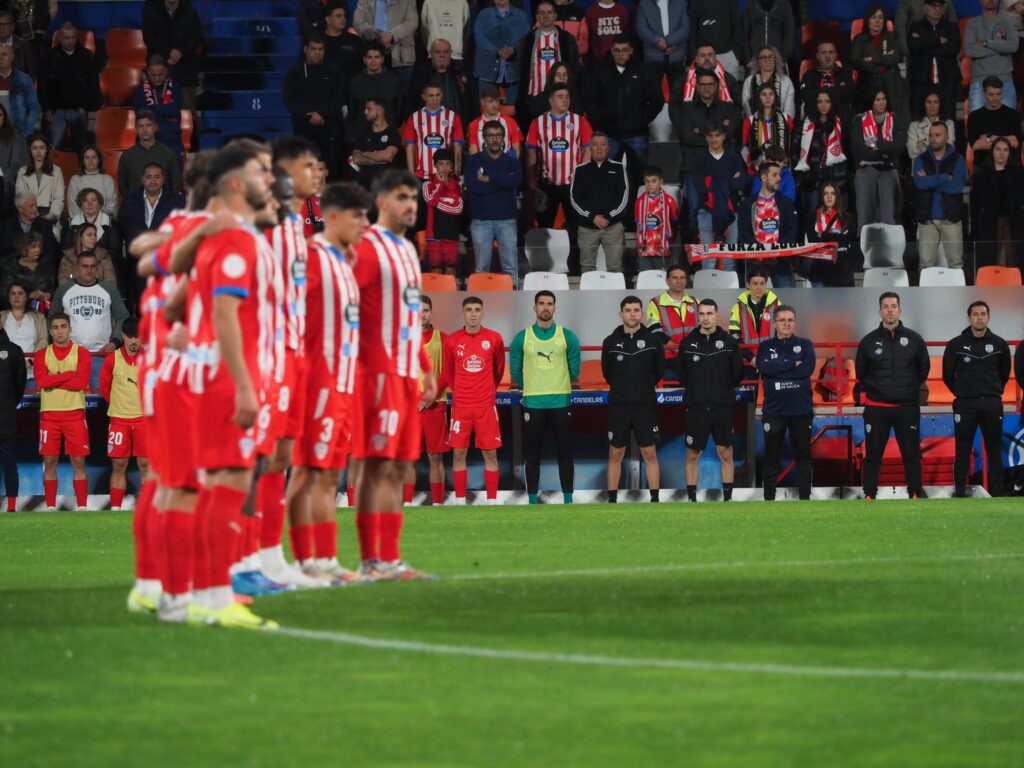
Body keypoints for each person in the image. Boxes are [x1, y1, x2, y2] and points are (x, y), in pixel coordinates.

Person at [185, 145, 282, 628]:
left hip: (225, 373)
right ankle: (213, 592)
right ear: (239, 184)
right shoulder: (236, 238)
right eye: (262, 172)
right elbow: (225, 311)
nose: (272, 178)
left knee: (224, 483)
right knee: (228, 483)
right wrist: (246, 386)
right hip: (230, 378)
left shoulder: (225, 235)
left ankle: (207, 590)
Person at [351, 168, 437, 581]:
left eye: (415, 199)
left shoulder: (405, 249)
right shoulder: (367, 248)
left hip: (405, 373)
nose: (411, 206)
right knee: (377, 466)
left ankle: (391, 557)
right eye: (403, 198)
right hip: (377, 374)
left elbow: (406, 317)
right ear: (381, 203)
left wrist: (423, 365)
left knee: (399, 468)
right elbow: (349, 310)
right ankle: (372, 560)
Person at [290, 181, 371, 581]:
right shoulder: (313, 259)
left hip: (342, 382)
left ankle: (323, 560)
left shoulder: (344, 264)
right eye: (357, 217)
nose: (363, 224)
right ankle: (303, 559)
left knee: (326, 475)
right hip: (317, 382)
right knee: (309, 474)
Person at [855, 292, 930, 501]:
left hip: (907, 407)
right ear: (880, 311)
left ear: (900, 310)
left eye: (893, 306)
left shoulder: (914, 340)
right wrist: (878, 390)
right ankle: (870, 495)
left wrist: (907, 388)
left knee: (911, 454)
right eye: (886, 306)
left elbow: (923, 370)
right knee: (873, 455)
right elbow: (861, 372)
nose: (890, 310)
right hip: (877, 408)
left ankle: (914, 493)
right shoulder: (869, 341)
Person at [510, 290, 580, 504]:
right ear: (534, 308)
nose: (545, 307)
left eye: (550, 304)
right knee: (533, 454)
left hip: (561, 401)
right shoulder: (522, 337)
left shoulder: (566, 336)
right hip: (534, 402)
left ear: (555, 308)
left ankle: (568, 499)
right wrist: (530, 386)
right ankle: (532, 499)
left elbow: (574, 369)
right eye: (541, 303)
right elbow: (515, 370)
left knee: (565, 453)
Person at [434, 296, 506, 505]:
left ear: (482, 313)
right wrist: (462, 392)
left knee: (490, 453)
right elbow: (448, 373)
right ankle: (460, 501)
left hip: (485, 405)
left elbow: (498, 371)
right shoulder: (452, 341)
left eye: (477, 310)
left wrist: (485, 390)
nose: (473, 314)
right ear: (462, 313)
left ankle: (492, 501)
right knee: (459, 453)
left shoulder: (494, 338)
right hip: (461, 406)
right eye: (469, 310)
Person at [676, 298, 743, 502]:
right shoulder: (687, 343)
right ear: (698, 316)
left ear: (717, 315)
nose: (705, 318)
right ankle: (692, 499)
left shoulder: (729, 343)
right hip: (696, 408)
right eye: (702, 314)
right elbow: (682, 375)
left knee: (725, 453)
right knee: (692, 455)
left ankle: (728, 498)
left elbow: (737, 374)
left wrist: (721, 391)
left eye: (709, 313)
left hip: (722, 407)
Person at [942, 301, 1012, 497]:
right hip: (965, 404)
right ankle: (960, 492)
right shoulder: (955, 344)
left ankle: (997, 493)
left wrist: (993, 391)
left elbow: (1004, 373)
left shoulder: (999, 344)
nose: (979, 318)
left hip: (991, 403)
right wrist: (962, 392)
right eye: (975, 314)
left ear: (988, 317)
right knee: (962, 450)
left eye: (983, 314)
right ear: (969, 318)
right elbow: (947, 376)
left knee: (994, 449)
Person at [601, 295, 665, 504]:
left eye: (636, 310)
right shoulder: (610, 342)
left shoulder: (654, 342)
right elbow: (608, 373)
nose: (632, 314)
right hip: (619, 406)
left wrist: (641, 390)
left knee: (650, 453)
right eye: (628, 310)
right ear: (621, 314)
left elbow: (658, 372)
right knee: (615, 453)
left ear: (642, 313)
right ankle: (612, 500)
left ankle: (654, 499)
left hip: (645, 406)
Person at [526, 83, 593, 263]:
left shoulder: (580, 121)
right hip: (546, 184)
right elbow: (531, 151)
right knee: (544, 228)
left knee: (576, 226)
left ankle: (575, 265)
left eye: (567, 96)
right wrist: (532, 182)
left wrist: (582, 176)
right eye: (560, 96)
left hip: (572, 185)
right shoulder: (538, 123)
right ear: (550, 100)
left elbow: (588, 148)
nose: (565, 100)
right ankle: (542, 265)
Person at [755, 304, 814, 500]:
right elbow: (765, 368)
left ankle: (805, 499)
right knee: (771, 458)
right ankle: (769, 499)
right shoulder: (765, 346)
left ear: (794, 323)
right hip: (774, 411)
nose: (787, 324)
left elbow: (807, 370)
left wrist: (777, 368)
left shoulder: (806, 344)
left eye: (790, 320)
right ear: (775, 323)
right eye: (782, 320)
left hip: (801, 411)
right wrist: (790, 364)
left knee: (803, 458)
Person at [585, 35, 663, 178]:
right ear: (612, 51)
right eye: (617, 50)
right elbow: (590, 100)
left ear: (631, 50)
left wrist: (642, 119)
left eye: (624, 50)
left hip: (637, 134)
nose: (621, 54)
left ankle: (637, 201)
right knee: (607, 177)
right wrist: (601, 120)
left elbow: (657, 100)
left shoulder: (643, 70)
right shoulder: (600, 70)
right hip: (609, 134)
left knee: (640, 176)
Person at [35, 312, 92, 510]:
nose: (60, 331)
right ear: (50, 331)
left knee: (79, 462)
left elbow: (82, 383)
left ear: (70, 328)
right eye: (56, 328)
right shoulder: (42, 354)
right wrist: (69, 375)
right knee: (49, 462)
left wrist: (54, 379)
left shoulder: (82, 353)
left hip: (74, 414)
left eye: (63, 326)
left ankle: (82, 507)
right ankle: (50, 507)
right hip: (49, 415)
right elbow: (42, 382)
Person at [52, 251, 130, 387]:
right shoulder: (63, 290)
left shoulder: (109, 289)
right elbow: (52, 318)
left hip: (100, 355)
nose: (89, 270)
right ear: (77, 267)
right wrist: (60, 345)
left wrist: (115, 342)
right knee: (71, 400)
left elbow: (123, 317)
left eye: (93, 266)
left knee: (101, 399)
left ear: (97, 268)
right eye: (85, 266)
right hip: (70, 356)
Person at [464, 119, 522, 286]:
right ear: (484, 138)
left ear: (503, 137)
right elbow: (473, 186)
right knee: (482, 269)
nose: (494, 139)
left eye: (498, 135)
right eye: (490, 136)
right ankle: (482, 305)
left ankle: (513, 305)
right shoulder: (474, 161)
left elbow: (516, 181)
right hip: (481, 221)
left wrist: (488, 179)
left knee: (510, 269)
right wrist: (503, 182)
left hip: (507, 220)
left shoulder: (512, 161)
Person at [99, 317, 147, 510]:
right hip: (119, 421)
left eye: (138, 337)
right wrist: (119, 405)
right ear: (123, 336)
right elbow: (104, 388)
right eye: (130, 337)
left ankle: (147, 509)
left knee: (146, 465)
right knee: (119, 465)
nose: (134, 341)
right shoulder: (113, 359)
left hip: (145, 421)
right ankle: (115, 509)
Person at [675, 70, 742, 203]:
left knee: (724, 207)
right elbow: (687, 136)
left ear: (716, 86)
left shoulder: (728, 108)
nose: (706, 87)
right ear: (697, 86)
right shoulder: (687, 109)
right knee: (693, 210)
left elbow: (729, 134)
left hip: (722, 164)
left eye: (710, 84)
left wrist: (699, 131)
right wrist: (717, 137)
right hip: (694, 164)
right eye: (703, 84)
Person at [283, 35, 345, 178]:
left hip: (330, 131)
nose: (317, 52)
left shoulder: (335, 71)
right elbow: (290, 98)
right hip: (304, 132)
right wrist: (307, 116)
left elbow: (339, 96)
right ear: (306, 49)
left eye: (321, 49)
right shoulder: (294, 73)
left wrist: (321, 113)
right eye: (313, 49)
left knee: (332, 173)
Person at [569, 132, 628, 274]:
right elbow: (574, 198)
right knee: (587, 268)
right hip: (587, 227)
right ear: (590, 148)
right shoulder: (580, 170)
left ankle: (616, 296)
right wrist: (593, 217)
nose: (599, 148)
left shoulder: (619, 168)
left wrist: (608, 217)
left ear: (608, 147)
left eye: (603, 144)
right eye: (595, 144)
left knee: (615, 268)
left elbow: (623, 197)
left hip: (613, 226)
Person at [911, 120, 966, 271]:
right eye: (931, 135)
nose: (933, 138)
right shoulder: (920, 159)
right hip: (927, 220)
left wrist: (929, 180)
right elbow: (920, 184)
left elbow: (957, 186)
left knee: (956, 264)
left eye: (937, 135)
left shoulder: (958, 159)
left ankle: (957, 295)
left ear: (947, 137)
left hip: (951, 219)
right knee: (925, 266)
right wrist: (944, 178)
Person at [37, 22, 99, 151]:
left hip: (79, 111)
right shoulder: (49, 57)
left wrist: (85, 107)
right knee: (52, 148)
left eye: (73, 37)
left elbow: (93, 84)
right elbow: (42, 84)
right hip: (56, 111)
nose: (70, 41)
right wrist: (46, 108)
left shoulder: (86, 56)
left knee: (83, 149)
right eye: (67, 38)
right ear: (60, 38)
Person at [737, 162, 798, 286]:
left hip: (780, 262)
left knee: (785, 300)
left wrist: (777, 252)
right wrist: (760, 252)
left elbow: (792, 229)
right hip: (756, 262)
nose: (779, 179)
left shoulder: (786, 203)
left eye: (779, 175)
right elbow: (743, 231)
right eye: (774, 175)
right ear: (764, 178)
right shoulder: (748, 204)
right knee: (755, 301)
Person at [851, 89, 903, 227]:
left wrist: (877, 145)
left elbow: (899, 148)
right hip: (866, 169)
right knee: (865, 216)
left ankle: (889, 247)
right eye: (877, 100)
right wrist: (885, 150)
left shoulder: (895, 119)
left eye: (884, 99)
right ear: (871, 102)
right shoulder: (859, 120)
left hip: (889, 170)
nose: (882, 103)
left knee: (888, 216)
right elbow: (860, 151)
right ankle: (865, 247)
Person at [970, 136, 1024, 269]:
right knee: (992, 263)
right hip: (989, 225)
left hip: (1014, 224)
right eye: (998, 149)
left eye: (1005, 150)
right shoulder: (982, 174)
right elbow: (975, 202)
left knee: (1014, 262)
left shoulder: (1018, 173)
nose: (1001, 153)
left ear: (1009, 153)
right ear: (992, 151)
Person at [518, 1, 580, 117]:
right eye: (542, 13)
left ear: (555, 16)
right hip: (535, 97)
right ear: (537, 17)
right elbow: (522, 68)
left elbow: (574, 69)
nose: (546, 16)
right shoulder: (528, 40)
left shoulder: (566, 39)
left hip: (560, 97)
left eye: (549, 12)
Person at [415, 295, 449, 506]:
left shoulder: (442, 338)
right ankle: (407, 503)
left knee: (435, 457)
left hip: (436, 405)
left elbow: (447, 372)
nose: (422, 314)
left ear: (431, 311)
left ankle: (437, 504)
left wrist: (428, 398)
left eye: (425, 310)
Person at [793, 90, 848, 214]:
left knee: (835, 214)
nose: (823, 105)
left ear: (832, 104)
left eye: (827, 101)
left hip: (834, 175)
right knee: (812, 213)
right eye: (820, 101)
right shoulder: (804, 125)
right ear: (815, 104)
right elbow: (795, 151)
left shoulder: (840, 124)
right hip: (812, 177)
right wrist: (801, 176)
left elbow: (846, 152)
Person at [141, 0, 202, 109]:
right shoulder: (151, 10)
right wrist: (169, 52)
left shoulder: (191, 12)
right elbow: (150, 38)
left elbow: (195, 39)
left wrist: (180, 54)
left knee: (187, 110)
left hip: (185, 64)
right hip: (160, 61)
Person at [119, 163, 187, 261]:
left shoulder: (178, 201)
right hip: (137, 259)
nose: (153, 181)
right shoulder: (129, 201)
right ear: (142, 179)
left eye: (157, 177)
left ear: (163, 179)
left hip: (167, 258)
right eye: (148, 177)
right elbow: (123, 227)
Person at [906, 0, 960, 119]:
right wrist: (938, 41)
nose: (937, 9)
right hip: (921, 82)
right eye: (933, 6)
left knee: (948, 119)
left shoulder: (951, 27)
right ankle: (920, 139)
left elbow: (952, 49)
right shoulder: (915, 26)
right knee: (917, 119)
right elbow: (914, 47)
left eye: (940, 6)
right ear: (924, 8)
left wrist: (924, 44)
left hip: (946, 82)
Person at [403, 80, 464, 183]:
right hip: (422, 175)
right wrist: (411, 174)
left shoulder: (453, 117)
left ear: (442, 95)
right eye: (431, 95)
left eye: (437, 95)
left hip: (446, 175)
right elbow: (410, 147)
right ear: (424, 97)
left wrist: (457, 172)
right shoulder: (414, 118)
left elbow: (458, 146)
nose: (435, 99)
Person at [645, 264, 698, 384]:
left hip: (693, 358)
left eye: (682, 277)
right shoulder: (655, 303)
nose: (679, 281)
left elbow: (701, 329)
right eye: (675, 278)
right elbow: (655, 332)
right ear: (667, 281)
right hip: (668, 361)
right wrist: (678, 349)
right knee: (672, 398)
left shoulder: (695, 302)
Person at [472, 0, 532, 106]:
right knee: (487, 108)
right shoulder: (484, 15)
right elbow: (479, 37)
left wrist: (513, 49)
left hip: (514, 71)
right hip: (488, 71)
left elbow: (527, 39)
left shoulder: (521, 16)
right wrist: (497, 50)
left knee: (512, 110)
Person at [965, 0, 1020, 112]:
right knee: (978, 125)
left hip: (1005, 80)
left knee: (1007, 126)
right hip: (979, 81)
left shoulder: (1008, 22)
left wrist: (986, 43)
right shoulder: (972, 23)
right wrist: (1001, 48)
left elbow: (1013, 46)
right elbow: (970, 51)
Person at [851, 6, 905, 119]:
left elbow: (895, 58)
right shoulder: (860, 39)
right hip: (867, 83)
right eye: (873, 17)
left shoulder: (892, 38)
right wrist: (878, 68)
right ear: (868, 20)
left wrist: (872, 59)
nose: (877, 21)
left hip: (889, 84)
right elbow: (855, 61)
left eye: (880, 17)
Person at [729, 267, 781, 380]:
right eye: (755, 284)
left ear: (766, 284)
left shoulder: (777, 305)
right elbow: (734, 336)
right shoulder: (738, 307)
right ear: (748, 285)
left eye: (762, 283)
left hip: (771, 360)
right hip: (748, 362)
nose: (759, 288)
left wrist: (769, 356)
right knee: (750, 397)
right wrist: (751, 358)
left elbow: (782, 333)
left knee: (773, 396)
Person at [804, 180, 856, 286]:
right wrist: (838, 237)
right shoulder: (811, 217)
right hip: (819, 271)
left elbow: (847, 240)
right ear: (821, 196)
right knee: (820, 303)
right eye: (825, 193)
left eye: (832, 193)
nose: (829, 197)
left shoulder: (847, 218)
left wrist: (823, 235)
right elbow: (813, 241)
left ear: (837, 196)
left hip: (842, 272)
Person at [354, 0, 418, 85]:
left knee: (403, 93)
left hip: (401, 57)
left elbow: (412, 22)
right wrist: (376, 35)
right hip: (373, 52)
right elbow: (358, 22)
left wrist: (391, 36)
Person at [407, 38, 472, 122]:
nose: (442, 55)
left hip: (458, 124)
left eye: (446, 52)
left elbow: (472, 101)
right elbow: (411, 102)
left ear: (451, 53)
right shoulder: (420, 73)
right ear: (431, 53)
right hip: (428, 124)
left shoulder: (461, 71)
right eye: (438, 52)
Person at [118, 110, 182, 195]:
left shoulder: (169, 154)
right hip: (136, 205)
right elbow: (122, 186)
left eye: (148, 125)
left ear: (155, 127)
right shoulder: (127, 156)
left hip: (163, 205)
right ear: (136, 128)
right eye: (141, 126)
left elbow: (176, 185)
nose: (145, 129)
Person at [422, 147, 463, 276]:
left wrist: (447, 186)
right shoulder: (427, 185)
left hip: (451, 233)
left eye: (447, 164)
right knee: (436, 270)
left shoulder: (458, 185)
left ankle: (451, 297)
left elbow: (458, 208)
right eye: (441, 164)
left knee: (451, 269)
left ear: (452, 166)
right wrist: (440, 185)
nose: (444, 167)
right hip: (433, 234)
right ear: (435, 166)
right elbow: (431, 202)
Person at [133, 55, 183, 156]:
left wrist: (153, 110)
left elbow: (174, 109)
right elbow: (142, 114)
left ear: (166, 72)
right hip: (149, 136)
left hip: (171, 137)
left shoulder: (175, 88)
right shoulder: (140, 91)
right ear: (148, 72)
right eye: (153, 75)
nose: (156, 79)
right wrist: (165, 114)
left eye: (159, 75)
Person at [967, 76, 1022, 169]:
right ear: (984, 94)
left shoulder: (1013, 115)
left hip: (1009, 166)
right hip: (983, 166)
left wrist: (990, 138)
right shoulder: (974, 116)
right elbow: (976, 145)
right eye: (991, 95)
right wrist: (1006, 140)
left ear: (1003, 92)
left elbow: (1016, 143)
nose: (996, 98)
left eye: (998, 94)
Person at [348, 43, 404, 133]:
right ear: (364, 60)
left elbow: (399, 106)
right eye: (370, 57)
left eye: (377, 57)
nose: (373, 61)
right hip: (362, 131)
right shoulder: (355, 81)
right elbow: (352, 109)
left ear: (382, 59)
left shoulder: (394, 80)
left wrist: (395, 124)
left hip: (389, 130)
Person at [0, 320, 25, 511]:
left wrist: (8, 404)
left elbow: (20, 383)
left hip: (5, 414)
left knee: (9, 460)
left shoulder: (14, 350)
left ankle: (11, 507)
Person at [741, 81, 792, 174]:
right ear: (758, 98)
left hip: (782, 170)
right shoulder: (749, 121)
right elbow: (744, 147)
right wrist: (753, 163)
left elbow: (790, 146)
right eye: (764, 94)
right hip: (757, 170)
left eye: (771, 94)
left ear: (775, 97)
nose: (767, 97)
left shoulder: (786, 119)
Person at [635, 165, 679, 272]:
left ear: (660, 181)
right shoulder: (639, 201)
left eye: (653, 181)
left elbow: (675, 222)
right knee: (646, 279)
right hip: (644, 249)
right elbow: (637, 224)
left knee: (662, 280)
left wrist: (668, 236)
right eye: (647, 181)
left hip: (662, 249)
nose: (650, 185)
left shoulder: (669, 201)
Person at [687, 0, 744, 81]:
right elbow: (692, 29)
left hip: (728, 54)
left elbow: (737, 26)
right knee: (705, 91)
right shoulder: (696, 2)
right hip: (704, 55)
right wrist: (694, 55)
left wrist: (736, 54)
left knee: (730, 91)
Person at [351, 97, 401, 190]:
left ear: (380, 110)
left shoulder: (393, 133)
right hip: (365, 186)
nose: (365, 112)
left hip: (386, 186)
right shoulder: (363, 133)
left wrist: (366, 154)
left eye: (369, 108)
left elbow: (387, 155)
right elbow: (357, 159)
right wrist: (380, 160)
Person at [0, 281, 46, 381]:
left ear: (26, 297)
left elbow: (43, 342)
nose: (16, 296)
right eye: (13, 293)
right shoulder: (1, 316)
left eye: (20, 293)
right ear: (8, 297)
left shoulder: (38, 317)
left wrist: (30, 362)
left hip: (32, 373)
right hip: (5, 373)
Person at [800, 40, 855, 121]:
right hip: (815, 119)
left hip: (841, 120)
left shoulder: (845, 74)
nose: (827, 56)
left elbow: (849, 95)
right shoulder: (809, 76)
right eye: (824, 52)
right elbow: (806, 96)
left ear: (836, 55)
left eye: (831, 52)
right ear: (818, 56)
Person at [635, 0, 689, 82]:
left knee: (677, 92)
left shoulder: (681, 2)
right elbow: (642, 29)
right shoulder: (644, 4)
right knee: (652, 92)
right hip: (653, 58)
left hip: (676, 57)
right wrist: (657, 41)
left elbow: (685, 29)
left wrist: (667, 41)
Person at [15, 133, 63, 221]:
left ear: (47, 150)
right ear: (30, 150)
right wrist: (33, 214)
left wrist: (48, 217)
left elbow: (59, 198)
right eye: (34, 148)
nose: (38, 152)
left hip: (49, 216)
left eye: (42, 148)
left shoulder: (57, 171)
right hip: (28, 217)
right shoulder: (22, 172)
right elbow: (21, 199)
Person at [0, 192, 59, 264]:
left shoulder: (45, 225)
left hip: (40, 268)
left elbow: (52, 252)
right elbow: (4, 255)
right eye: (31, 206)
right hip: (14, 269)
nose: (35, 209)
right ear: (20, 208)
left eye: (35, 205)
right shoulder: (7, 227)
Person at [467, 84, 524, 157]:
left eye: (497, 101)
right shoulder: (474, 125)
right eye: (491, 101)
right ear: (482, 102)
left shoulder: (510, 122)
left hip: (506, 166)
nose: (494, 105)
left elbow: (517, 151)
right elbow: (473, 153)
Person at [1, 231, 55, 307]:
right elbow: (4, 293)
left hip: (45, 308)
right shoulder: (11, 267)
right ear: (24, 248)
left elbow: (54, 287)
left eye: (39, 246)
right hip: (21, 309)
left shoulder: (47, 264)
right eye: (33, 247)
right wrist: (28, 295)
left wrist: (49, 294)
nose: (38, 250)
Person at [675, 45, 741, 105]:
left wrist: (730, 118)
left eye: (710, 55)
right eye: (702, 55)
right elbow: (674, 105)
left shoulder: (728, 79)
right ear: (696, 59)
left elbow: (738, 105)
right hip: (691, 117)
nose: (707, 58)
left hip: (722, 117)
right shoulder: (684, 80)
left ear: (715, 58)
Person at [742, 46, 795, 120]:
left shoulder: (786, 82)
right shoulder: (749, 81)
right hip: (755, 125)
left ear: (775, 60)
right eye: (763, 57)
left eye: (771, 57)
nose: (767, 60)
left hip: (780, 126)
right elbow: (745, 106)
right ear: (758, 61)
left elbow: (789, 111)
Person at [66, 146, 117, 219]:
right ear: (82, 161)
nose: (90, 160)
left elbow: (111, 207)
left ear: (99, 160)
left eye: (93, 157)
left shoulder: (108, 180)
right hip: (81, 225)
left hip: (104, 222)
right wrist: (86, 224)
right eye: (87, 157)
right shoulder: (75, 180)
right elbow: (73, 208)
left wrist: (97, 221)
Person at [0, 43, 39, 138]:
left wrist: (27, 131)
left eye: (4, 54)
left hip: (18, 133)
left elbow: (34, 107)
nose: (0, 58)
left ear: (12, 57)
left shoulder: (24, 80)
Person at [907, 89, 955, 160]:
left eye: (936, 102)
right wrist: (938, 144)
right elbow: (912, 153)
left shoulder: (949, 124)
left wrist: (924, 142)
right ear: (924, 104)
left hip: (943, 167)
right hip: (921, 168)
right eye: (929, 102)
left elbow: (949, 149)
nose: (932, 105)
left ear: (940, 104)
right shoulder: (914, 126)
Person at [322, 0, 365, 77]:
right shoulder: (317, 41)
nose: (343, 19)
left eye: (344, 16)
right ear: (328, 19)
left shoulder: (356, 41)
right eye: (338, 16)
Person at [420, 0, 469, 65]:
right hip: (440, 55)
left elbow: (425, 26)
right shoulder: (428, 2)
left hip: (453, 55)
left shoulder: (463, 2)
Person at [583, 0, 629, 69]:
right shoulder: (591, 11)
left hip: (620, 61)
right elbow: (587, 36)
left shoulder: (622, 11)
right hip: (598, 62)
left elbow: (626, 35)